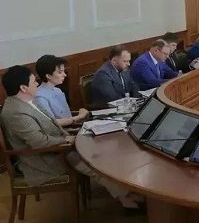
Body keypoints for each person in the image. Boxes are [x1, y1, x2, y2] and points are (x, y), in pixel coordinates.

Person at [1, 66, 143, 210]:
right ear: (23, 88)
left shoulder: (29, 101)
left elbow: (51, 125)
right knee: (93, 161)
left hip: (58, 148)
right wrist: (67, 140)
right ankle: (125, 196)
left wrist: (71, 135)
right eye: (33, 82)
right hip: (44, 159)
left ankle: (126, 192)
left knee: (102, 151)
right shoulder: (16, 112)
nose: (37, 84)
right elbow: (39, 142)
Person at [33, 55, 89, 128]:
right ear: (48, 76)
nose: (65, 75)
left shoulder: (57, 90)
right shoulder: (40, 97)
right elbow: (51, 123)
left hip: (72, 126)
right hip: (62, 131)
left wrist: (80, 114)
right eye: (60, 72)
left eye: (64, 71)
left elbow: (65, 115)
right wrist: (79, 117)